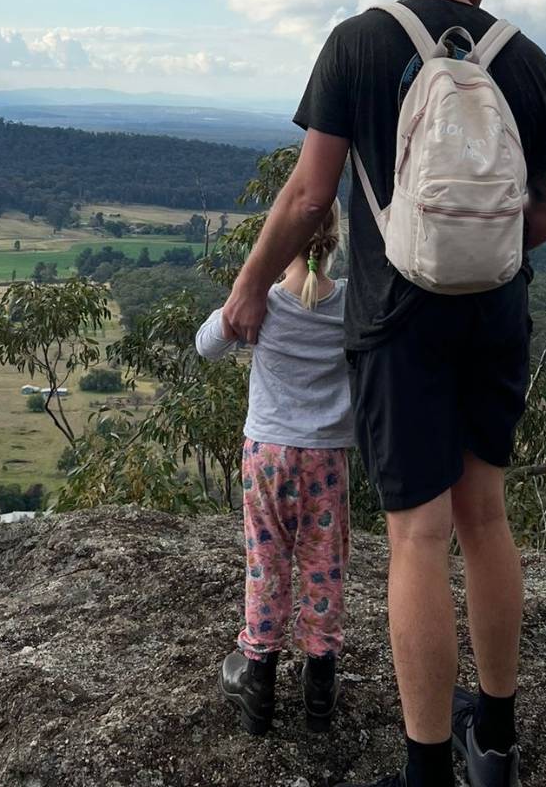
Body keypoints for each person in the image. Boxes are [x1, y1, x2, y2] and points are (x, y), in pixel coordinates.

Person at [218, 0, 546, 787]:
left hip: (393, 318)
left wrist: (249, 286)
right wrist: (486, 253)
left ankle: (423, 772)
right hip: (495, 313)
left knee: (417, 534)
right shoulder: (524, 60)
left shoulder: (358, 42)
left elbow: (308, 198)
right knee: (483, 517)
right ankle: (492, 743)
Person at [196, 201, 354, 737]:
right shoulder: (352, 304)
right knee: (322, 567)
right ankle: (319, 689)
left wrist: (241, 298)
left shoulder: (262, 303)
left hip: (266, 455)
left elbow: (206, 347)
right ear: (334, 242)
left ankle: (258, 680)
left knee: (267, 562)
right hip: (327, 459)